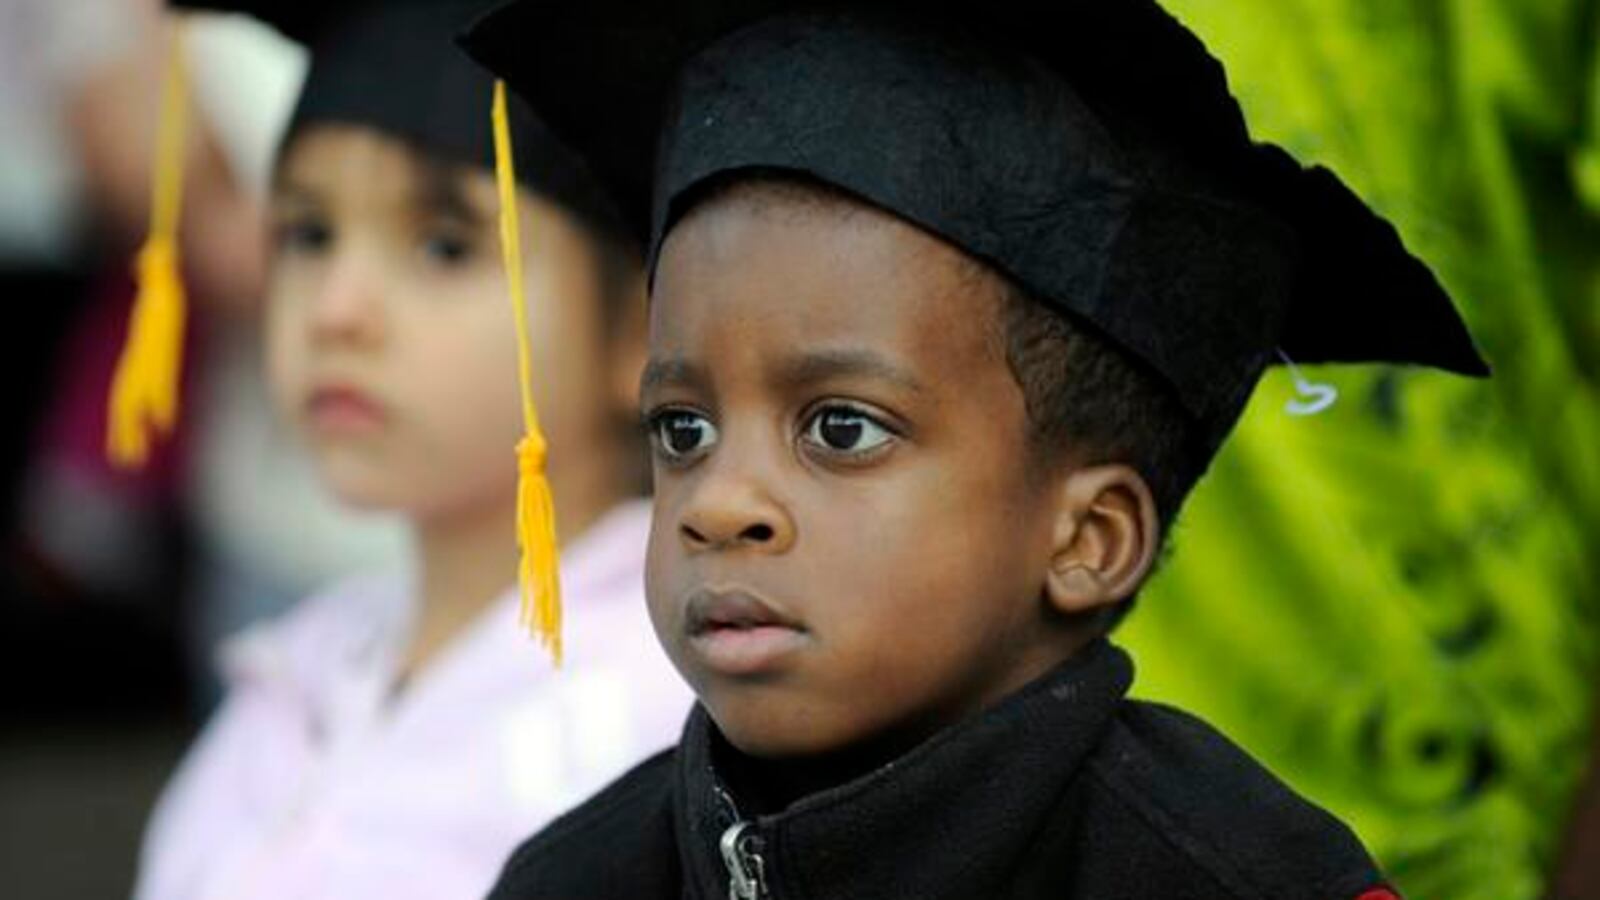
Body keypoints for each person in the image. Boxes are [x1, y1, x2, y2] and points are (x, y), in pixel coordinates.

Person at [459, 1, 1488, 897]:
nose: (718, 502)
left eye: (841, 429)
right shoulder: (577, 875)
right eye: (682, 429)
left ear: (1088, 537)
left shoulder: (1233, 877)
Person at [134, 3, 691, 897]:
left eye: (443, 245)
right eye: (309, 234)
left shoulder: (670, 717)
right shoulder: (295, 672)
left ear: (644, 327)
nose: (336, 309)